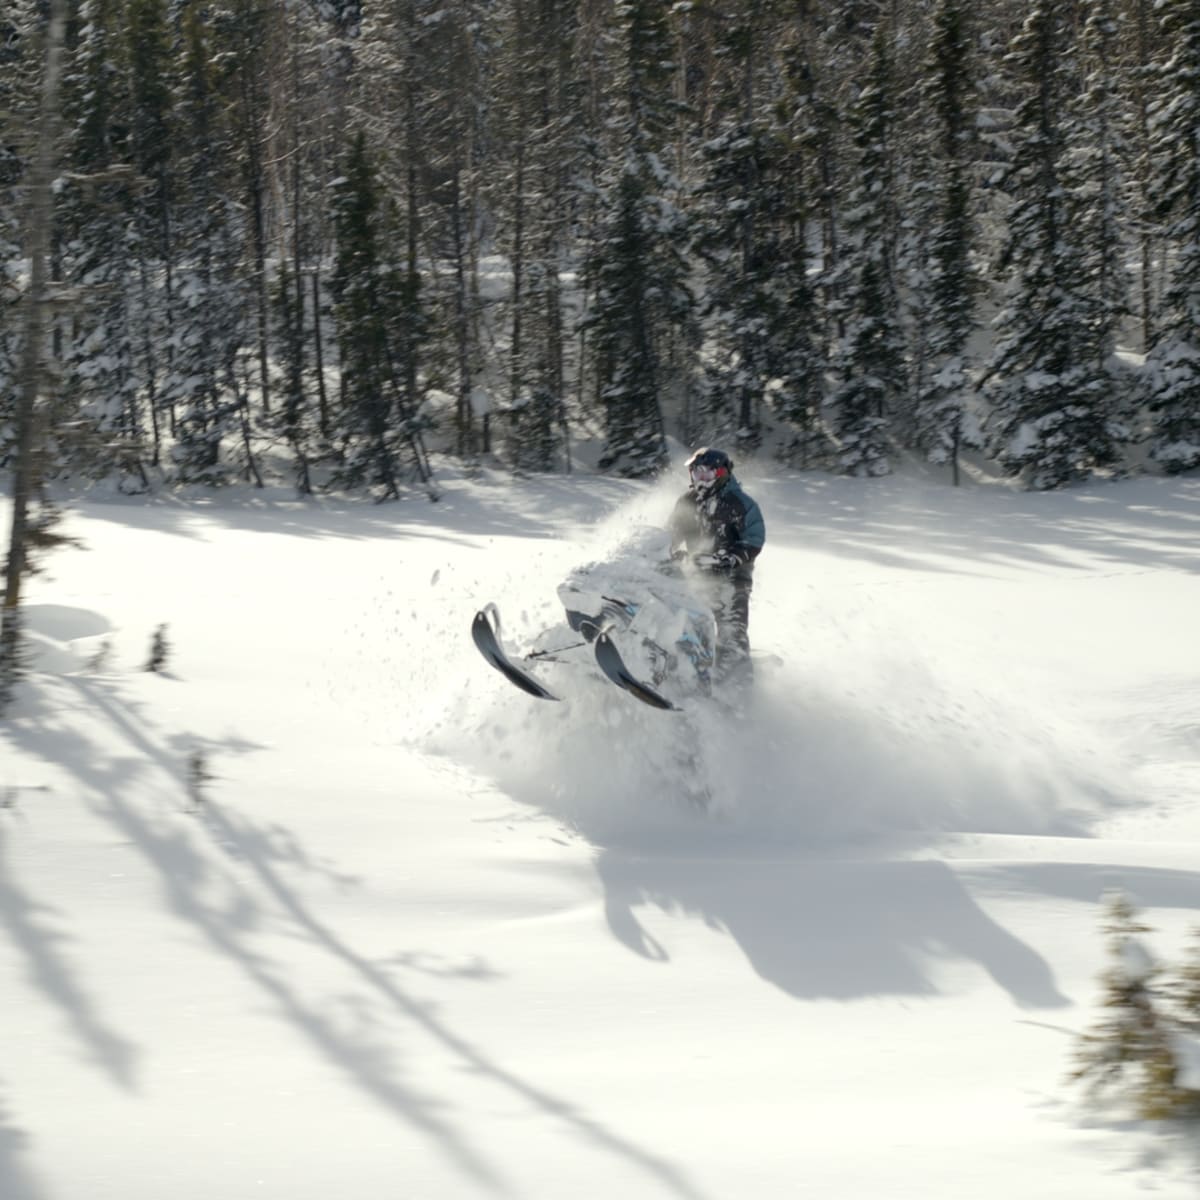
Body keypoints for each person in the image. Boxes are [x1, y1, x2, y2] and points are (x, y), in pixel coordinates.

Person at [668, 446, 765, 682]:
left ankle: (737, 683)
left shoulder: (739, 503)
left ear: (721, 473)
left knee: (731, 632)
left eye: (707, 474)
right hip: (695, 574)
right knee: (682, 621)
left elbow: (754, 538)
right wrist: (668, 552)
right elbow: (670, 534)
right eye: (696, 474)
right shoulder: (687, 502)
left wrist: (731, 558)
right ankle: (682, 671)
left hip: (733, 578)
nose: (701, 480)